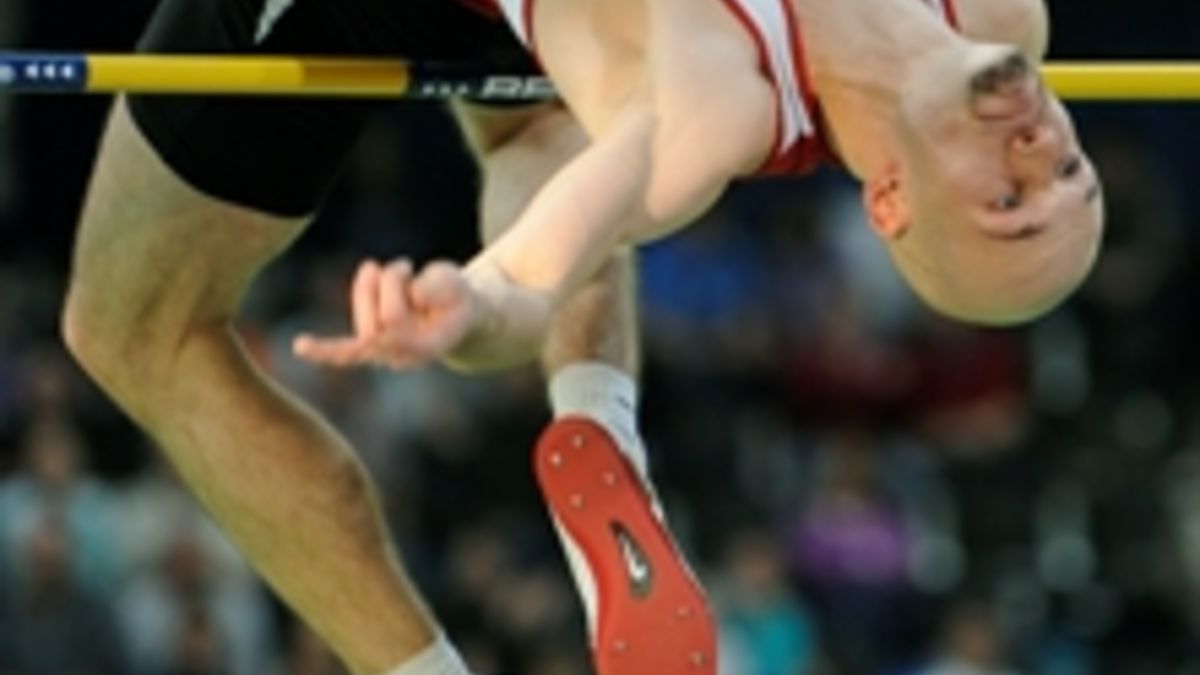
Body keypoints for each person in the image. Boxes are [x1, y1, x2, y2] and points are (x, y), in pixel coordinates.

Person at [62, 2, 1104, 675]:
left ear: (889, 200)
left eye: (1006, 201)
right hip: (520, 42)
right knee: (540, 128)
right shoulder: (1002, 16)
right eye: (1067, 175)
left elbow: (541, 262)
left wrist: (473, 302)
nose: (1038, 148)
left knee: (136, 330)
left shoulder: (714, 112)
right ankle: (598, 416)